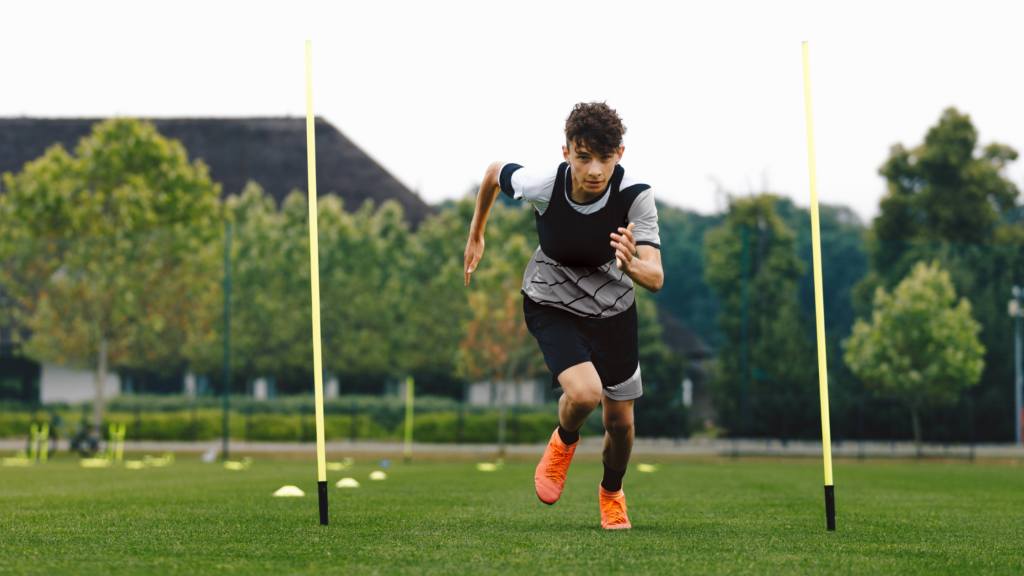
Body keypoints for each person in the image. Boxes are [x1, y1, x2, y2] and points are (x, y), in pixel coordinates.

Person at [463, 102, 663, 530]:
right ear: (566, 151)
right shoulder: (544, 185)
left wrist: (630, 266)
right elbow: (493, 173)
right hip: (550, 300)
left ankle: (612, 492)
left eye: (605, 158)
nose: (594, 169)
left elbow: (656, 276)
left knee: (621, 423)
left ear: (620, 154)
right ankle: (563, 442)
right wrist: (476, 232)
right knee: (586, 393)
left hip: (612, 309)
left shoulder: (635, 197)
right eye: (583, 156)